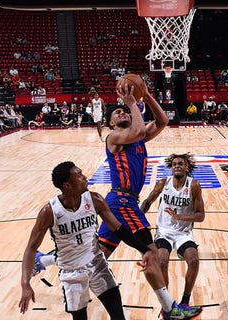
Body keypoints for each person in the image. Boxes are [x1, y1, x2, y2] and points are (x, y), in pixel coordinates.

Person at [34, 84, 202, 320]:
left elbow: (162, 120)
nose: (123, 113)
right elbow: (139, 131)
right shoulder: (115, 137)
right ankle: (169, 308)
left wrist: (146, 95)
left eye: (125, 111)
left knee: (97, 251)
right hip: (123, 201)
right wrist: (134, 102)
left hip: (120, 202)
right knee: (152, 253)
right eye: (118, 113)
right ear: (111, 124)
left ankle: (43, 260)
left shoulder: (137, 138)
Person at [19, 162, 155, 320]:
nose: (85, 177)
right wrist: (25, 284)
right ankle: (43, 261)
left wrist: (145, 249)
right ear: (67, 185)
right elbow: (30, 248)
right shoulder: (49, 211)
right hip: (71, 272)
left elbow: (118, 229)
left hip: (97, 264)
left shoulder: (95, 200)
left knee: (118, 316)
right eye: (79, 175)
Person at [140, 153, 205, 307]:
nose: (177, 166)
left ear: (186, 167)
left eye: (180, 164)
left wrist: (179, 217)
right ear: (171, 168)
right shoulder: (164, 183)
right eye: (174, 164)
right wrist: (138, 219)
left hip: (182, 233)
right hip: (164, 231)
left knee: (194, 261)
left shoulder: (193, 185)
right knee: (162, 260)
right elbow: (147, 202)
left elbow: (200, 216)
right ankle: (168, 304)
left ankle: (185, 301)